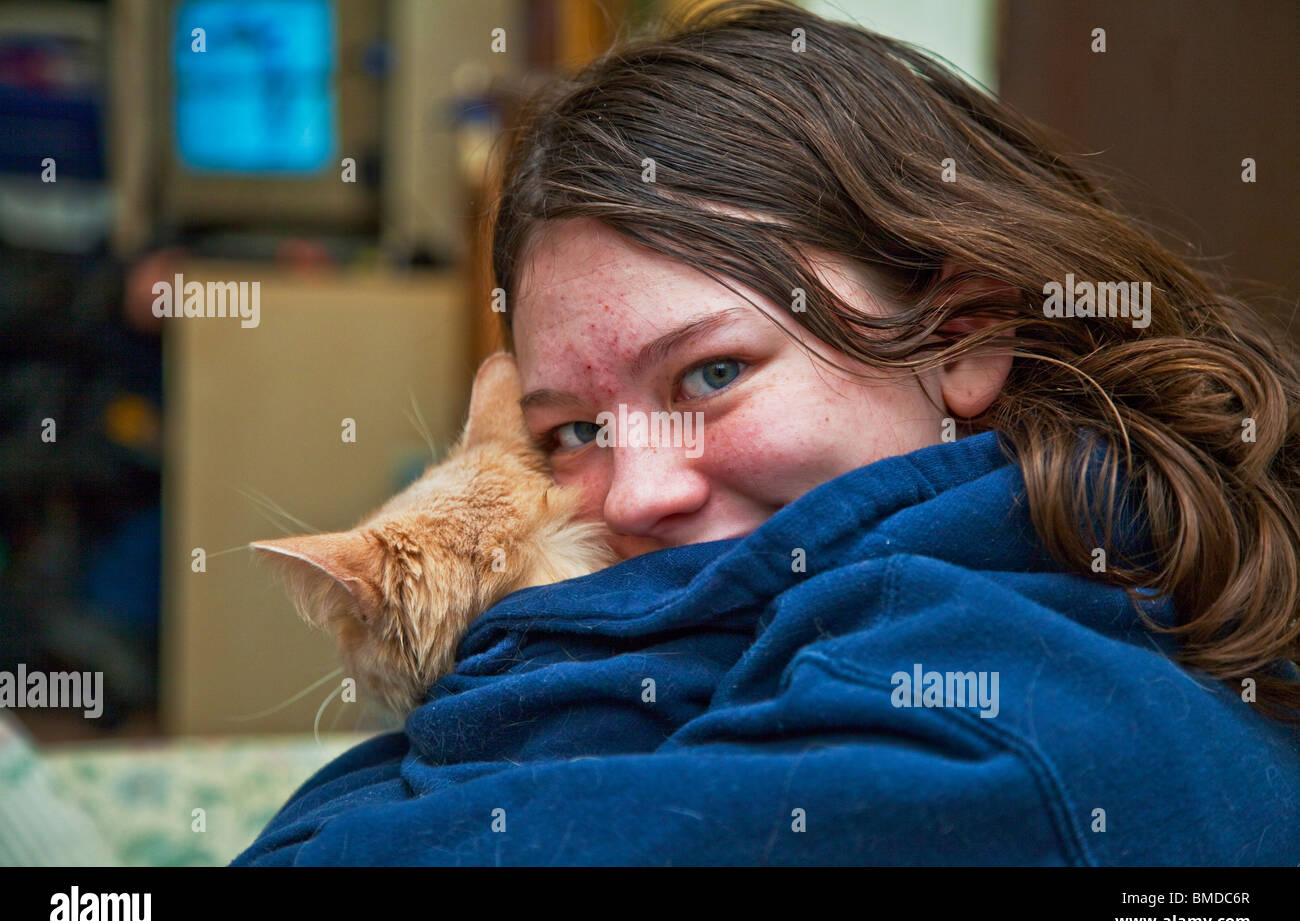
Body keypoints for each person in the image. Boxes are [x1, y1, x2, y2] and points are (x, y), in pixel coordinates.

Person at [233, 0, 1299, 865]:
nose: (638, 495)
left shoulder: (980, 747)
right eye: (573, 431)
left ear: (962, 340)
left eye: (712, 371)